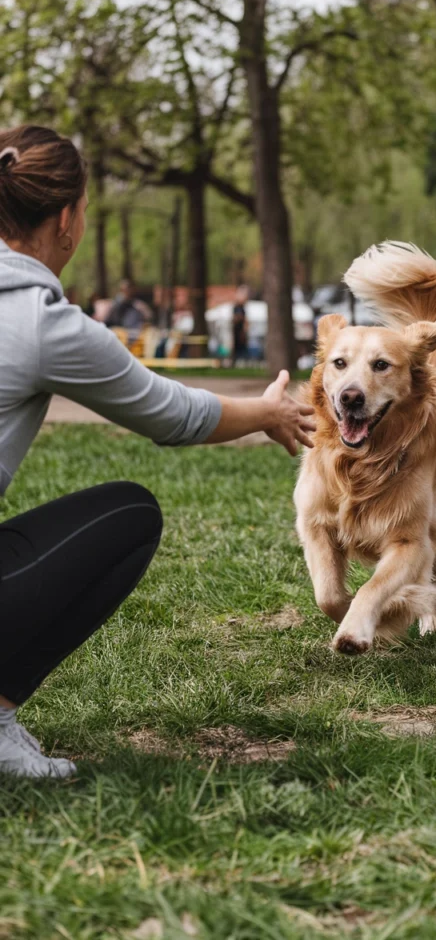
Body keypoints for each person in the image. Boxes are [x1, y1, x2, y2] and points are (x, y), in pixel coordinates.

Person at [0, 125, 315, 780]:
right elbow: (172, 414)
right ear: (66, 219)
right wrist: (269, 412)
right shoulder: (39, 321)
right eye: (84, 212)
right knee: (127, 517)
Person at [232, 286, 249, 364]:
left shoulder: (241, 308)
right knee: (239, 349)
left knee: (241, 349)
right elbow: (238, 319)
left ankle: (241, 361)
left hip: (240, 331)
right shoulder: (238, 308)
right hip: (238, 331)